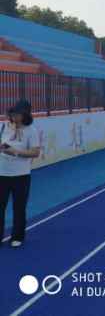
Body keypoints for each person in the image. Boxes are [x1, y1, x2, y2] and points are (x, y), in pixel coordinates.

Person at [0, 100, 41, 248]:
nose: (14, 116)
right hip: (2, 173)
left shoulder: (31, 131)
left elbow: (35, 152)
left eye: (18, 114)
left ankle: (17, 236)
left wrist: (15, 152)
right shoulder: (3, 127)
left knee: (19, 207)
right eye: (13, 113)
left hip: (21, 175)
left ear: (25, 115)